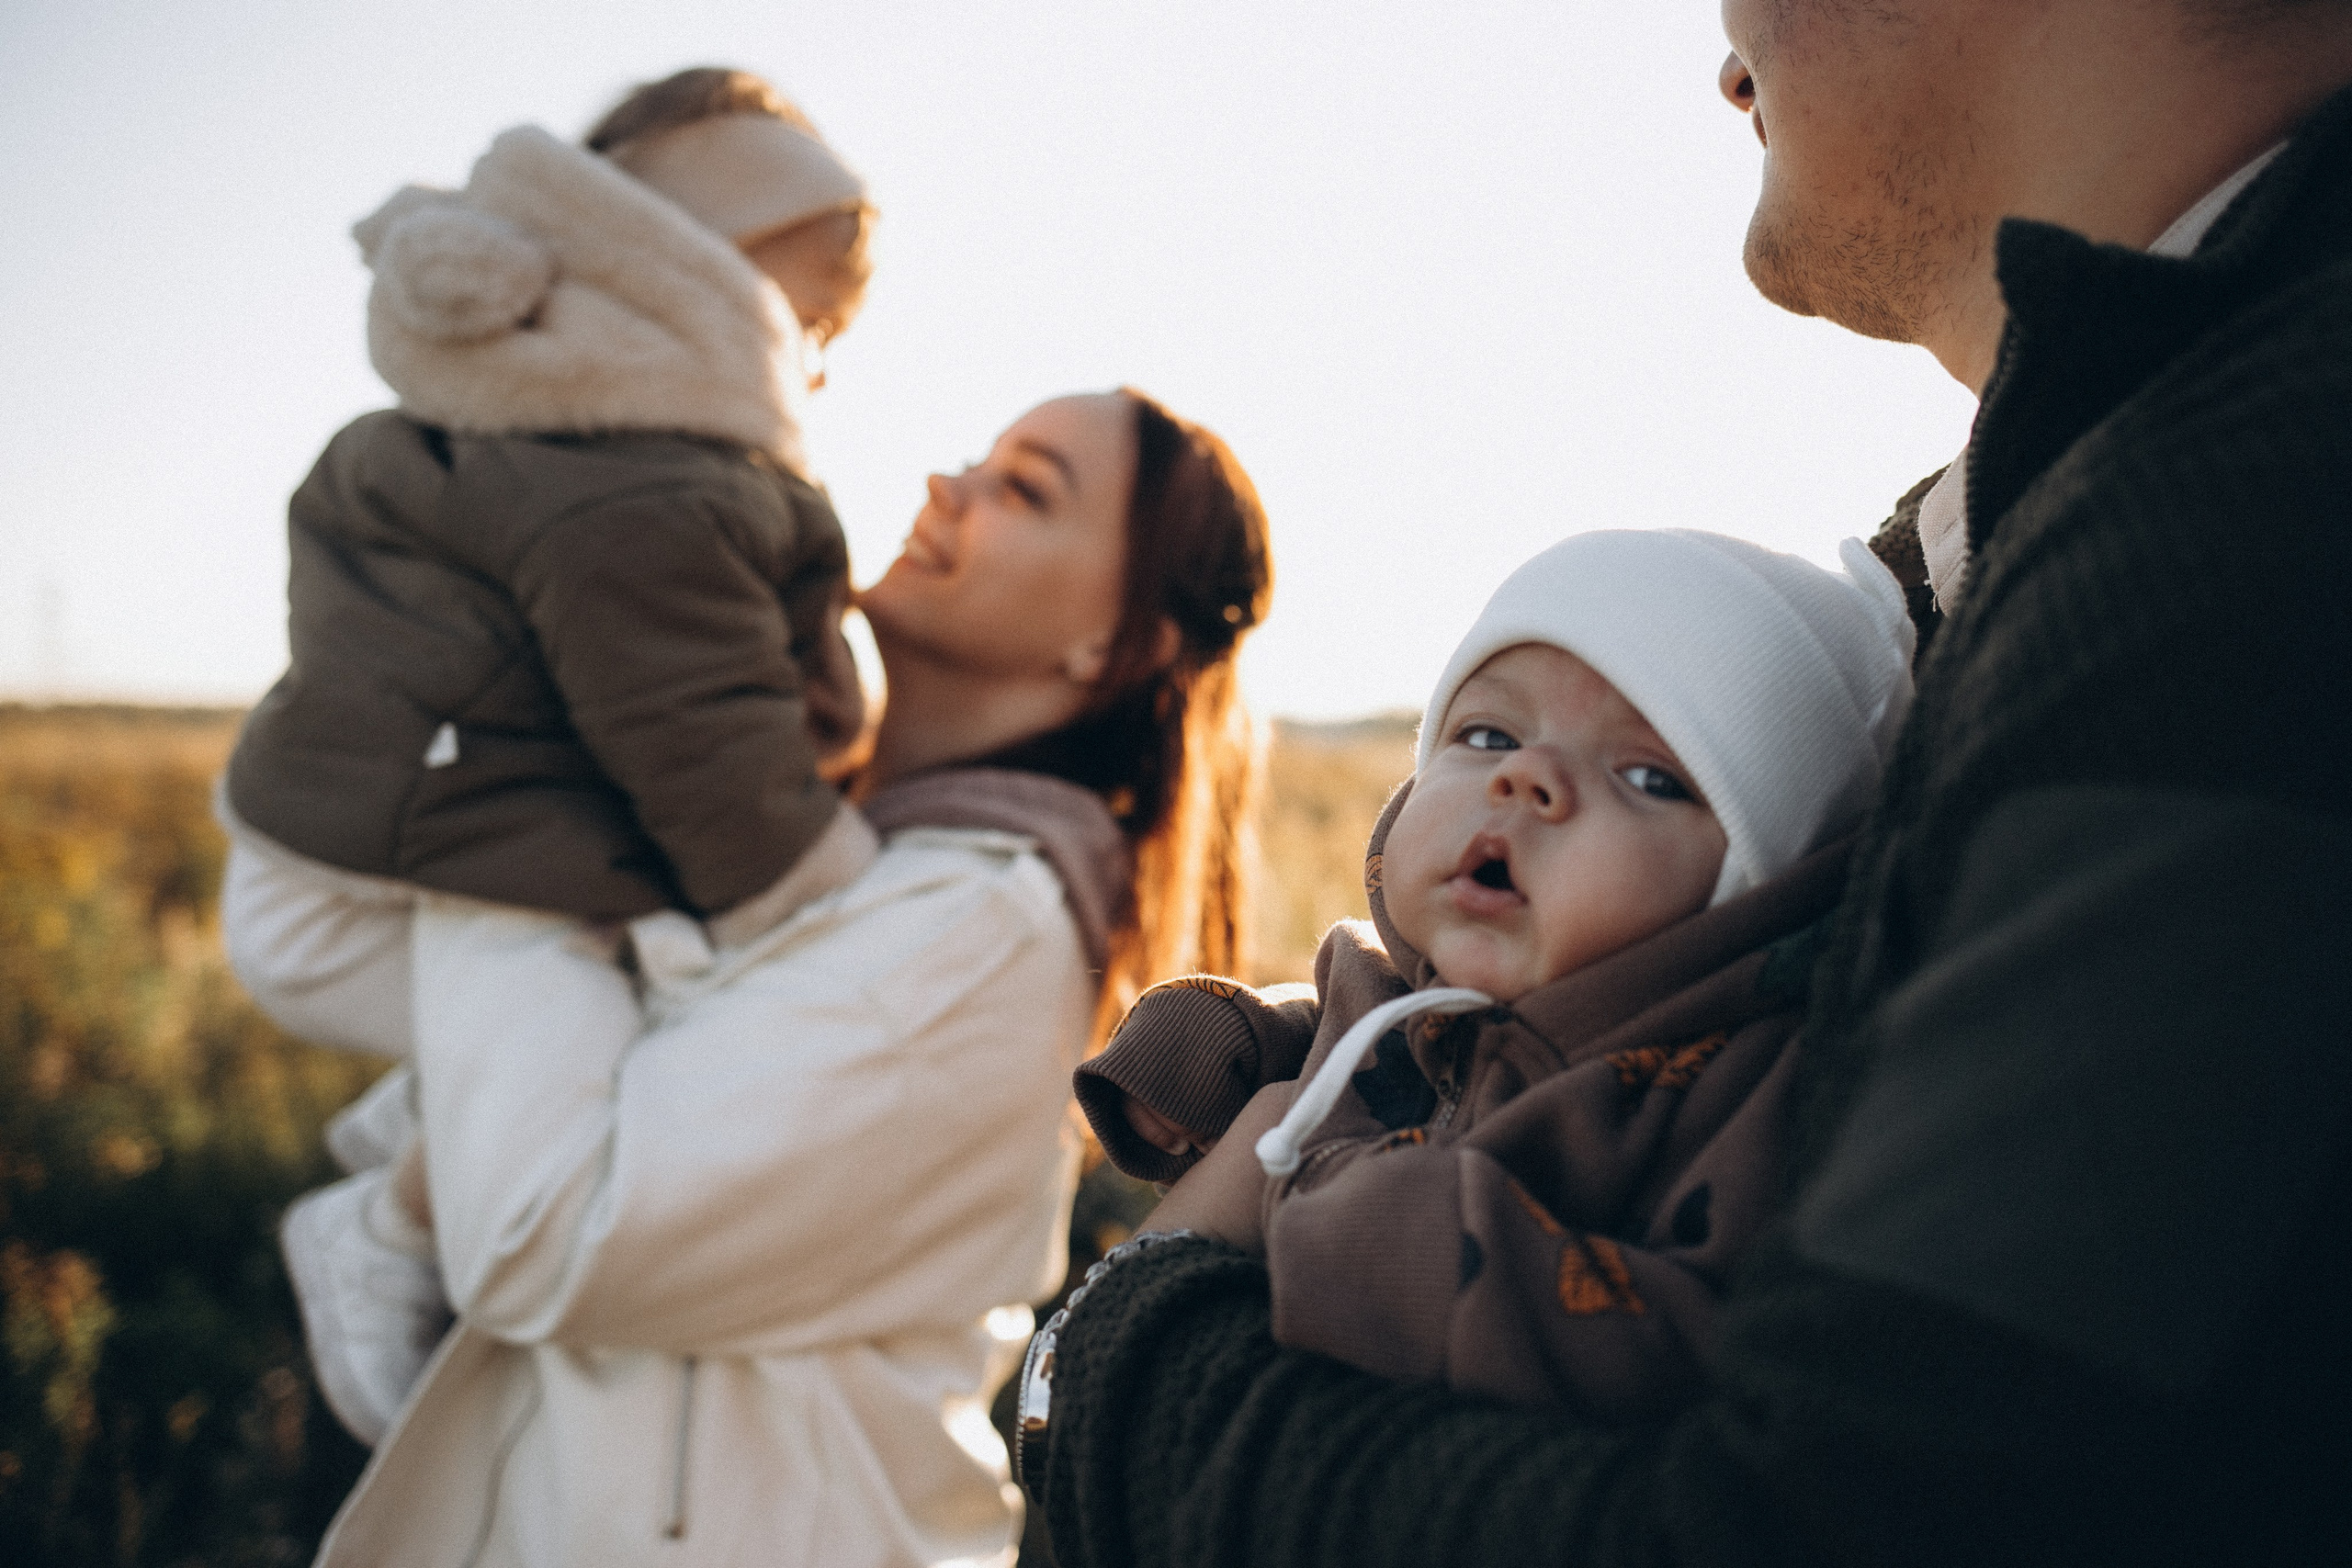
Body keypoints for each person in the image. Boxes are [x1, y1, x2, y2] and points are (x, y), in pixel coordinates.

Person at [1032, 4, 2352, 1564]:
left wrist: (1126, 1368)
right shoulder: (2046, 520)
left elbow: (1824, 1526)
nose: (1726, 53)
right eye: (1483, 739)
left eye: (1652, 775)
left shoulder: (2248, 518)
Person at [308, 389, 1273, 1568]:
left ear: (1118, 643)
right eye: (977, 456)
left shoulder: (978, 929)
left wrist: (511, 815)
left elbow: (546, 1233)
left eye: (1023, 489)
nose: (948, 486)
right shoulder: (815, 845)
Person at [214, 67, 880, 1440]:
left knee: (651, 1002)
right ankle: (388, 1226)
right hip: (441, 882)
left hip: (368, 851)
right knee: (648, 1071)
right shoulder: (640, 487)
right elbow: (706, 754)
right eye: (806, 319)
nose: (812, 361)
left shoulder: (538, 426)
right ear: (692, 269)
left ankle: (431, 1122)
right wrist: (854, 911)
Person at [1062, 530, 1911, 1416]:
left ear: (1757, 897)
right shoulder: (1382, 987)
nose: (1526, 775)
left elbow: (1697, 1346)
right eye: (1487, 733)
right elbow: (1343, 1063)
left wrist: (1436, 1246)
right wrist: (1231, 1048)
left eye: (1649, 777)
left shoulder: (1732, 1093)